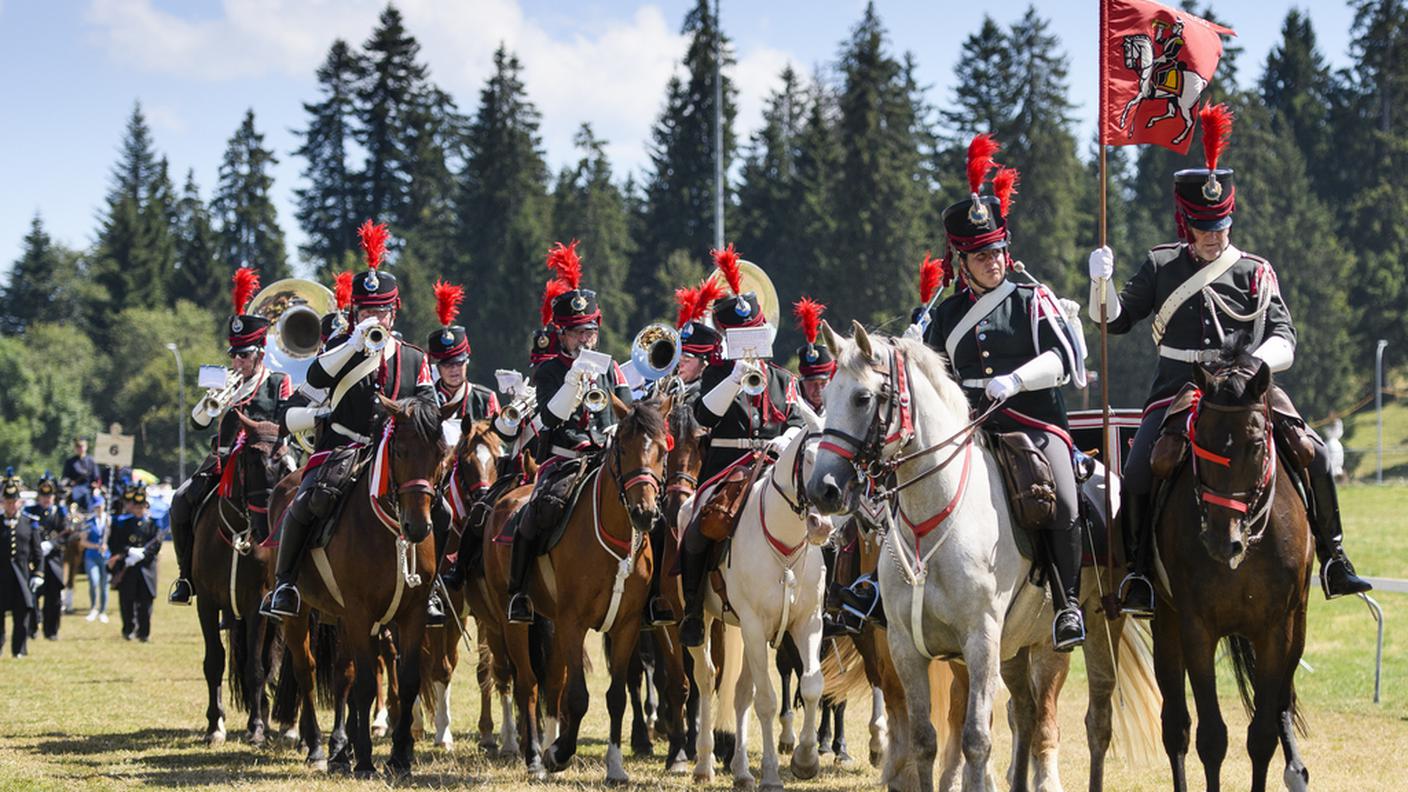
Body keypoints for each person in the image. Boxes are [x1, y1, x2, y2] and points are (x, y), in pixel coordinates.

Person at [1086, 106, 1370, 616]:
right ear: (1184, 223)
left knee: (1319, 457)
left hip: (1249, 391)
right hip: (1179, 389)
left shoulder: (1256, 272)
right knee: (1139, 471)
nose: (1214, 234)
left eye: (1221, 224)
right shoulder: (1162, 265)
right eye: (1202, 226)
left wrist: (1253, 368)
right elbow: (1115, 320)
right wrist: (1099, 282)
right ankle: (1138, 576)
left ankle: (1332, 557)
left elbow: (1284, 334)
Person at [923, 135, 1088, 650]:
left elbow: (1066, 361)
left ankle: (1067, 605)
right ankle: (879, 591)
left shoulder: (1031, 297)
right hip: (969, 425)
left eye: (996, 249)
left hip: (1034, 424)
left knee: (1062, 498)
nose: (992, 261)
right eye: (980, 254)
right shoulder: (944, 315)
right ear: (961, 260)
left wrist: (1015, 379)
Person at [262, 220, 434, 619]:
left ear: (394, 312)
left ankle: (434, 583)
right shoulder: (340, 347)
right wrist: (355, 343)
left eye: (381, 311)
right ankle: (285, 583)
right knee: (306, 502)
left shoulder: (413, 357)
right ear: (354, 311)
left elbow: (427, 405)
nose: (375, 318)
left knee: (435, 509)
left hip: (397, 450)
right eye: (367, 310)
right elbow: (317, 379)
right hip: (345, 447)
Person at [678, 244, 802, 648]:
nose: (750, 340)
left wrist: (785, 438)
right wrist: (735, 376)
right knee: (697, 531)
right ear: (729, 339)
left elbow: (799, 420)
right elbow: (704, 418)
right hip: (726, 468)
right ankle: (693, 610)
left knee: (817, 524)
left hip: (773, 468)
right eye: (740, 335)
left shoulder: (783, 377)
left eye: (755, 332)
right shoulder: (716, 374)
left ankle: (825, 599)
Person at [505, 241, 633, 624]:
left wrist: (615, 428)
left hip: (606, 459)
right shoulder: (549, 371)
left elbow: (626, 411)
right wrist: (573, 383)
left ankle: (652, 595)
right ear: (561, 334)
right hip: (563, 461)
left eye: (590, 332)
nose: (585, 340)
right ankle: (520, 593)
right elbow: (550, 418)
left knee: (649, 511)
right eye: (576, 333)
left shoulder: (611, 368)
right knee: (533, 516)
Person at [168, 268, 293, 606]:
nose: (238, 362)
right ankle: (185, 576)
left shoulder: (278, 381)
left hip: (267, 461)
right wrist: (214, 399)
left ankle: (291, 582)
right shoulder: (219, 380)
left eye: (246, 355)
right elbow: (197, 423)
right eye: (234, 355)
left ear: (260, 352)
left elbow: (285, 423)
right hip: (223, 461)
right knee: (180, 500)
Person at [425, 280, 499, 625]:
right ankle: (428, 586)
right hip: (437, 485)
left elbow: (499, 446)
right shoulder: (425, 400)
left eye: (460, 362)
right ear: (435, 366)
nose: (455, 369)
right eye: (447, 364)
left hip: (481, 486)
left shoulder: (485, 398)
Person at [108, 484, 161, 642]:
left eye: (141, 507)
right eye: (136, 507)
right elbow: (115, 543)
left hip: (146, 569)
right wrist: (128, 552)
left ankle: (144, 633)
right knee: (127, 601)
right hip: (129, 567)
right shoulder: (123, 523)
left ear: (146, 506)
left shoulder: (153, 524)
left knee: (146, 603)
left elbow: (156, 544)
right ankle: (128, 630)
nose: (139, 510)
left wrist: (143, 554)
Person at [1, 475, 43, 657]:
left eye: (14, 502)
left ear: (20, 502)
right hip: (1, 578)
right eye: (8, 502)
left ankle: (19, 649)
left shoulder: (29, 523)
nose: (11, 505)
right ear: (2, 503)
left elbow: (37, 552)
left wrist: (38, 574)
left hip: (22, 577)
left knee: (22, 614)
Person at [24, 473, 70, 640]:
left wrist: (52, 544)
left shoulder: (60, 513)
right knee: (32, 596)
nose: (46, 499)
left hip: (54, 561)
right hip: (35, 561)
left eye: (49, 495)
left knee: (54, 599)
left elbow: (66, 534)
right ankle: (32, 628)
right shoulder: (30, 512)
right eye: (43, 495)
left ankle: (51, 631)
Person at [80, 496, 111, 623]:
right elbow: (83, 541)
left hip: (105, 557)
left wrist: (106, 544)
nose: (98, 508)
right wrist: (97, 546)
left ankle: (103, 610)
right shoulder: (88, 522)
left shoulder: (109, 520)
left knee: (104, 585)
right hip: (91, 556)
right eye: (96, 506)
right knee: (93, 582)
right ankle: (93, 608)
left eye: (100, 506)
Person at [61, 438, 102, 512]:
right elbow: (66, 477)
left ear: (86, 447)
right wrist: (65, 484)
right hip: (75, 487)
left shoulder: (91, 461)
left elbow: (97, 477)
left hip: (89, 487)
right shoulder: (70, 462)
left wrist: (96, 486)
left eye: (82, 446)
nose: (80, 448)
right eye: (77, 446)